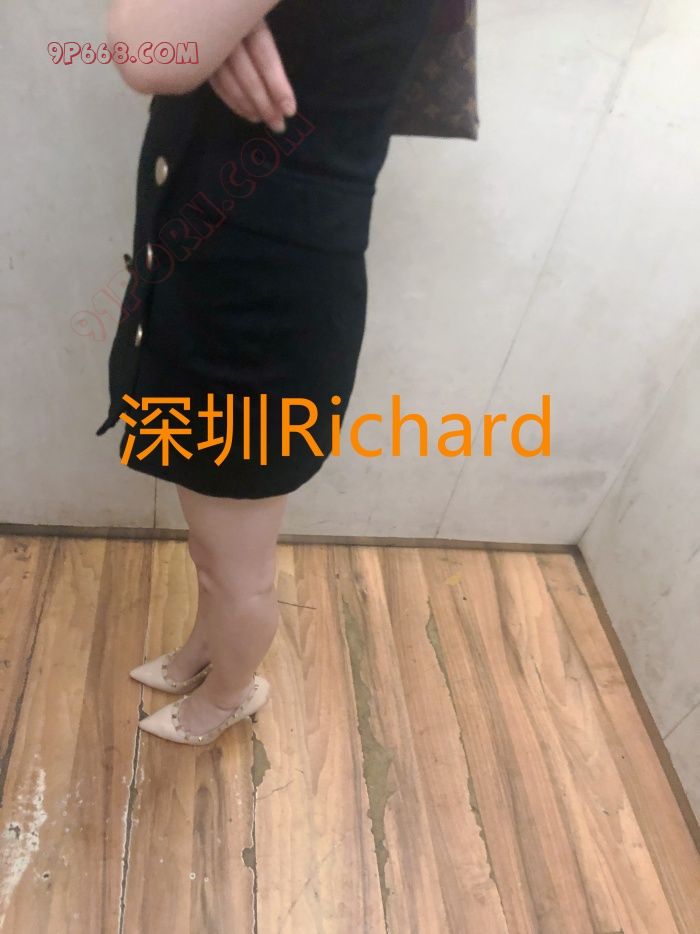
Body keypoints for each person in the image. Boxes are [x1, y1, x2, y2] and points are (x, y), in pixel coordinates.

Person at [95, 0, 438, 744]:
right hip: (212, 273)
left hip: (258, 308)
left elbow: (146, 46)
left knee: (238, 565)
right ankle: (205, 649)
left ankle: (229, 694)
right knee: (211, 541)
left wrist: (196, 31)